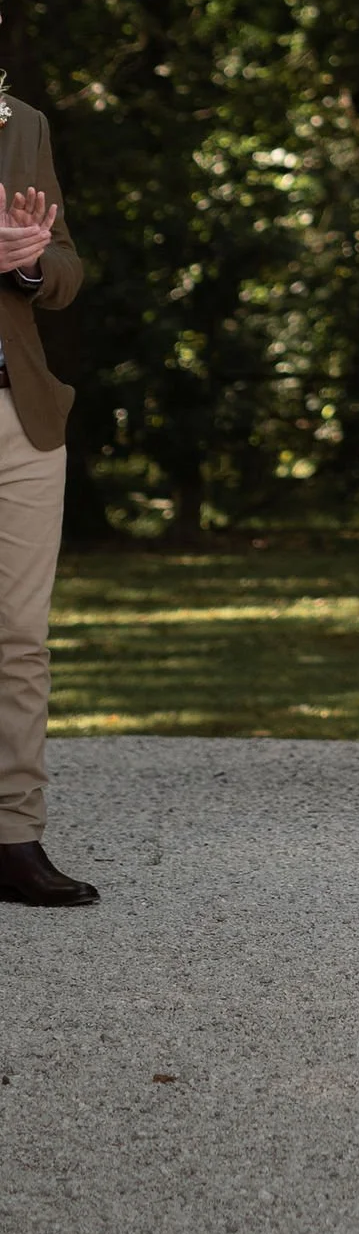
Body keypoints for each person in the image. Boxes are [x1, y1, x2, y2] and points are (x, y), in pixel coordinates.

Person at [0, 77, 95, 908]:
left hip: (18, 411)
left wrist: (31, 263)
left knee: (21, 638)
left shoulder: (23, 122)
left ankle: (13, 837)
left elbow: (67, 264)